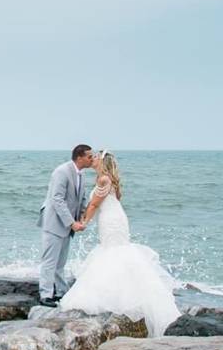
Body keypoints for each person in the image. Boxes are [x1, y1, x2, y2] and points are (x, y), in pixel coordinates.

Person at [58, 150, 181, 337]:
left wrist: (83, 223)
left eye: (96, 157)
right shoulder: (108, 179)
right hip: (115, 217)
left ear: (103, 162)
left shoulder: (103, 180)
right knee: (116, 252)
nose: (92, 159)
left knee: (113, 253)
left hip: (111, 220)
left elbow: (94, 205)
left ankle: (115, 297)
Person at [37, 144, 94, 306]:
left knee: (60, 263)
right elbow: (57, 199)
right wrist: (72, 222)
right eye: (89, 156)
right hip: (54, 222)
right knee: (49, 261)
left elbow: (81, 198)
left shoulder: (81, 174)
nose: (92, 159)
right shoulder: (62, 172)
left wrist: (83, 216)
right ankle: (45, 295)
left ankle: (61, 292)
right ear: (79, 157)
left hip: (68, 226)